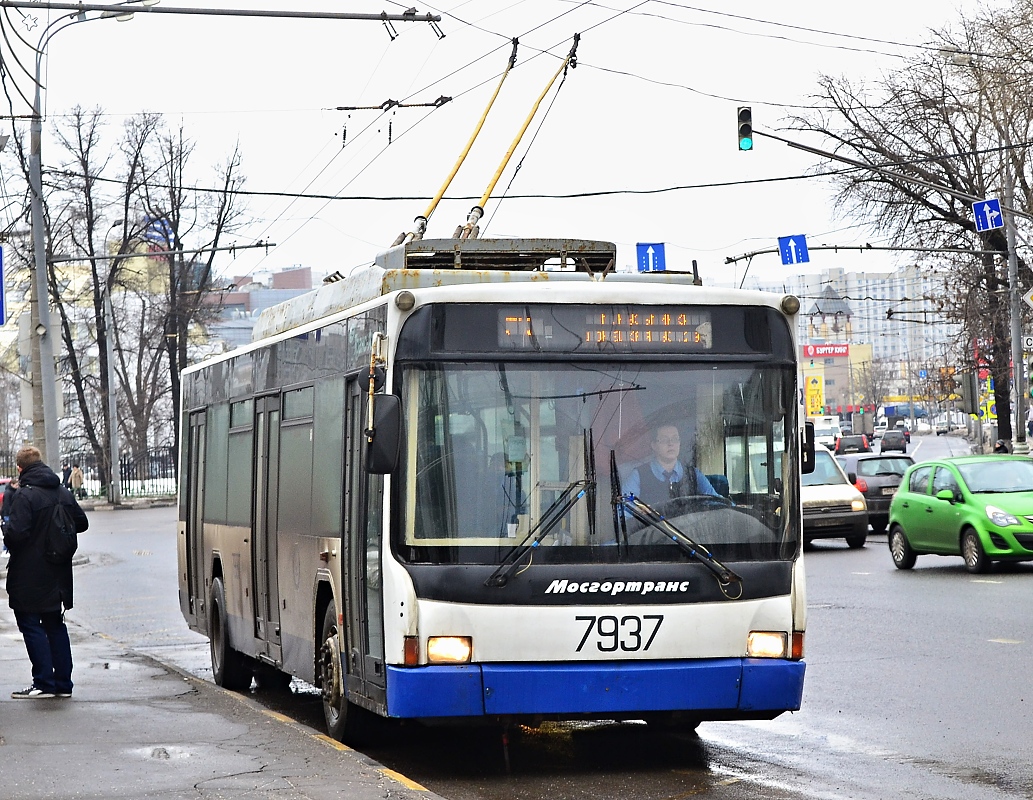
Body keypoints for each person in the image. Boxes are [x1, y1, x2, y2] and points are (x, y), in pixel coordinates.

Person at [3, 446, 89, 699]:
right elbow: (81, 523)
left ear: (20, 468)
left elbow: (16, 534)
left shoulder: (26, 497)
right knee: (55, 624)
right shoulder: (62, 492)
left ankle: (43, 682)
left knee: (30, 624)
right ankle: (63, 683)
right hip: (58, 571)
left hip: (29, 573)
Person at [624, 424, 721, 506]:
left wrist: (734, 508)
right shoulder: (640, 475)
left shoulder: (693, 474)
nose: (670, 443)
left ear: (679, 443)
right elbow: (625, 511)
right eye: (664, 439)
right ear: (653, 445)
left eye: (675, 439)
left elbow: (716, 501)